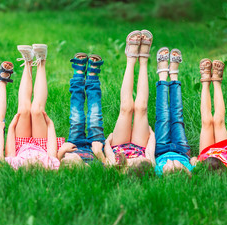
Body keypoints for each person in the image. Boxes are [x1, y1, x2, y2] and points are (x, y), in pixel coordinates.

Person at [4, 44, 64, 170]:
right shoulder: (48, 167)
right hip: (42, 146)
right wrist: (50, 125)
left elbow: (9, 152)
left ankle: (28, 61)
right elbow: (52, 151)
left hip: (20, 145)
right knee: (37, 110)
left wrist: (11, 127)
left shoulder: (16, 167)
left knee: (24, 110)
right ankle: (41, 60)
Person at [104, 30, 156, 172]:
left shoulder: (116, 167)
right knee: (141, 107)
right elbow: (150, 152)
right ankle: (144, 61)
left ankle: (131, 59)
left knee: (126, 108)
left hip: (118, 146)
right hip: (141, 146)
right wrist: (152, 136)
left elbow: (108, 154)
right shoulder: (148, 167)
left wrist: (107, 143)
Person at [57, 53, 106, 166]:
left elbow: (53, 165)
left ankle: (78, 78)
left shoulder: (62, 172)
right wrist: (99, 153)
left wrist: (61, 153)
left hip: (74, 144)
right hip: (96, 145)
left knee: (76, 117)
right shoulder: (95, 171)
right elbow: (110, 167)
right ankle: (92, 78)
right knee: (95, 115)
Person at [153, 47, 195, 176]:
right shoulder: (187, 173)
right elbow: (194, 160)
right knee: (177, 116)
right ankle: (174, 75)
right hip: (182, 149)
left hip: (161, 149)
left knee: (163, 116)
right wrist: (188, 168)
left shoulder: (160, 173)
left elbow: (153, 161)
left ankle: (162, 75)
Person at [195, 59, 227, 170]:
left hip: (205, 158)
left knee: (206, 122)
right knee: (219, 121)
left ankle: (205, 81)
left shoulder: (202, 167)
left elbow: (193, 161)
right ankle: (217, 81)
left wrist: (195, 161)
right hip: (224, 155)